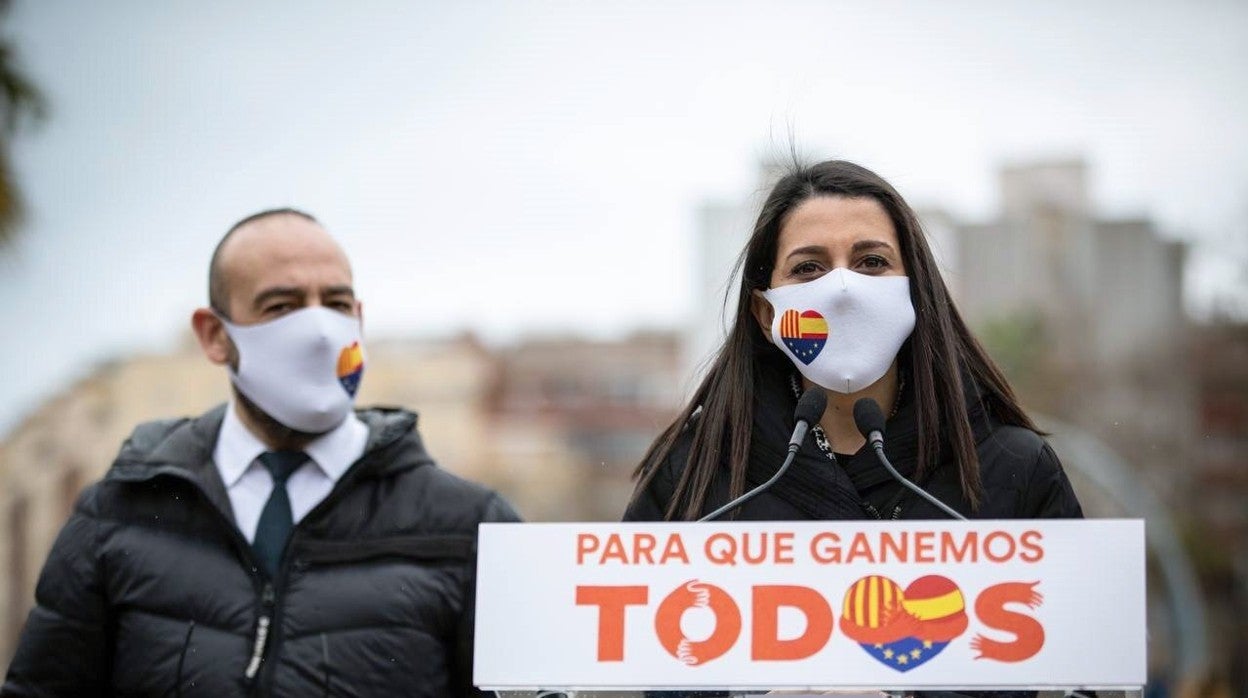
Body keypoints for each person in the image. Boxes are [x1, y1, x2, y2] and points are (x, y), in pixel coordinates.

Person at [3, 209, 520, 697]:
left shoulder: (471, 529)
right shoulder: (120, 514)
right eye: (282, 306)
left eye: (337, 304)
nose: (319, 331)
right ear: (215, 336)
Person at [624, 160, 1086, 698]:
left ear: (915, 292)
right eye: (807, 269)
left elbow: (1082, 666)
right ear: (765, 313)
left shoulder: (1014, 470)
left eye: (871, 261)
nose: (842, 289)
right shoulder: (691, 477)